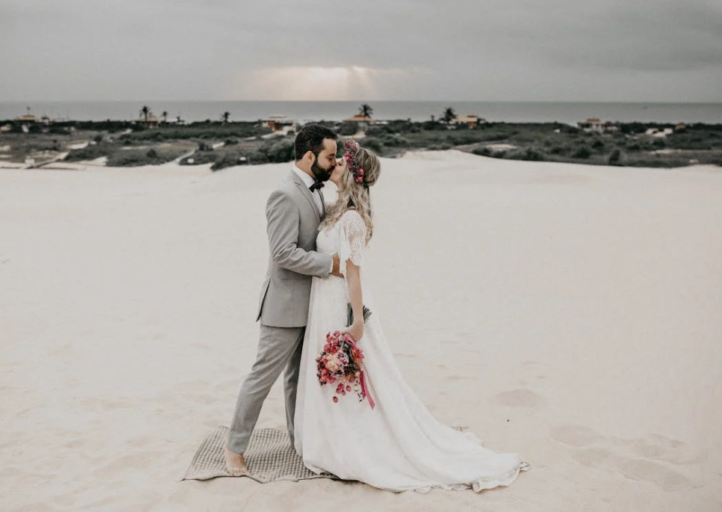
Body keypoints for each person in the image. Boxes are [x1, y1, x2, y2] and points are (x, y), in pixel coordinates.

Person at [293, 139, 529, 492]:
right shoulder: (334, 209)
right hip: (322, 301)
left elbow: (354, 274)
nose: (334, 166)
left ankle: (353, 442)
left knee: (353, 376)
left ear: (354, 175)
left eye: (340, 163)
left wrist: (356, 321)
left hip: (341, 304)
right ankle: (328, 436)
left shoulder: (353, 218)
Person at [225, 124, 343, 475]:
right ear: (310, 157)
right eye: (330, 156)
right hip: (284, 304)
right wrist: (330, 265)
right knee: (262, 378)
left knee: (297, 380)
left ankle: (298, 440)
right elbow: (282, 253)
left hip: (313, 304)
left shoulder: (318, 189)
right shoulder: (284, 194)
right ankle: (234, 449)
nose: (334, 162)